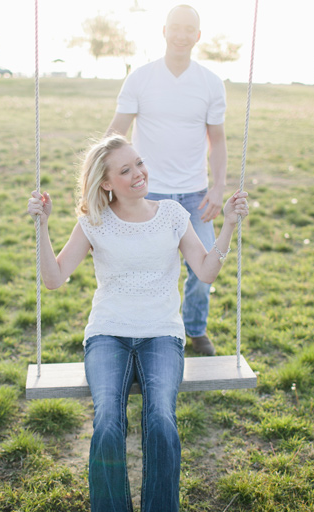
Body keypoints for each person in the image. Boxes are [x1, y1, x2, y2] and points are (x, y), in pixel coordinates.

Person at [27, 135, 248, 512]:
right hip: (108, 334)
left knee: (161, 419)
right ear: (106, 182)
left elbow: (206, 270)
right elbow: (54, 278)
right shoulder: (93, 222)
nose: (138, 174)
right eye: (125, 170)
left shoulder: (173, 214)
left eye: (139, 163)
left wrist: (228, 226)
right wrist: (42, 226)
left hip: (162, 334)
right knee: (108, 421)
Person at [105, 4, 227, 356]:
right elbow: (117, 131)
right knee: (142, 268)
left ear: (198, 36)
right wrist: (100, 174)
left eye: (189, 29)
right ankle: (139, 331)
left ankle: (194, 328)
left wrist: (218, 187)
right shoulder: (141, 78)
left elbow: (217, 140)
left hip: (194, 195)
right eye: (175, 27)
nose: (181, 34)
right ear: (164, 31)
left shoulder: (210, 83)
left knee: (203, 271)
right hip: (145, 192)